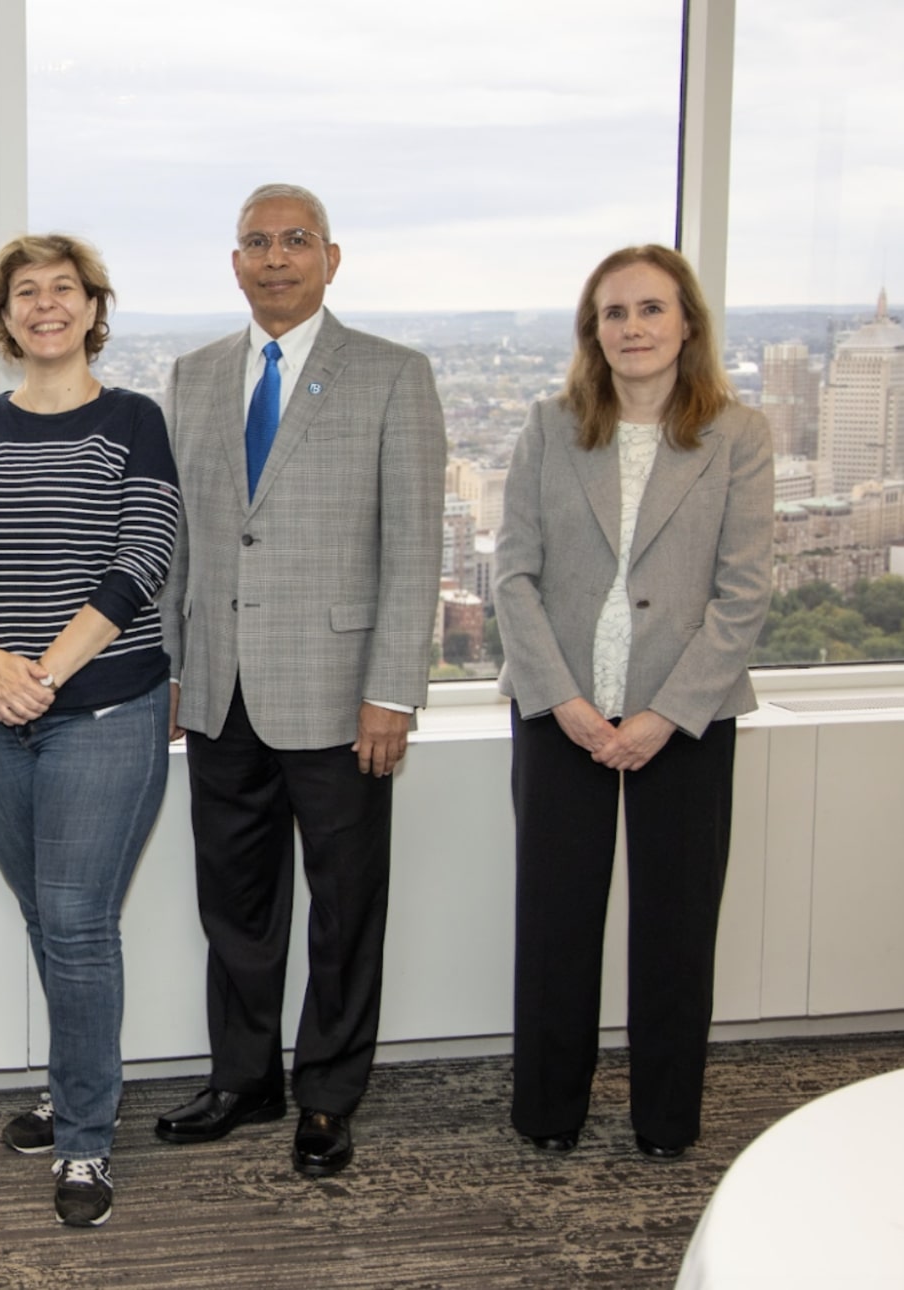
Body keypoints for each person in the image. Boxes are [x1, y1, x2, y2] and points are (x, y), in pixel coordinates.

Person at [156, 183, 446, 1177]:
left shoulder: (391, 376)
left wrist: (394, 690)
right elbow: (181, 538)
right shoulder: (193, 377)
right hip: (219, 689)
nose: (275, 258)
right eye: (255, 243)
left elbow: (414, 548)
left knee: (344, 905)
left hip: (341, 695)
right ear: (233, 262)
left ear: (331, 256)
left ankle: (327, 1093)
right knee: (233, 904)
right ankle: (244, 1079)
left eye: (295, 241)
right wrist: (172, 670)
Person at [495, 245, 772, 1161]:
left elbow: (744, 595)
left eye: (652, 309)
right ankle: (547, 1112)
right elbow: (514, 576)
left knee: (677, 926)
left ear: (686, 322)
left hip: (685, 715)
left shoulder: (739, 434)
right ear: (593, 331)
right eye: (615, 313)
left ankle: (665, 1120)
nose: (634, 328)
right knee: (556, 921)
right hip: (559, 711)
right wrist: (564, 699)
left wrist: (664, 713)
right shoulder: (548, 425)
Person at [0, 233, 178, 1226]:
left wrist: (45, 674)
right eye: (24, 293)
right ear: (5, 317)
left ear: (91, 307)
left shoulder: (133, 421)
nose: (44, 306)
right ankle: (78, 1082)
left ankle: (83, 1142)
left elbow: (142, 557)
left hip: (105, 707)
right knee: (47, 914)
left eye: (62, 290)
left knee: (76, 923)